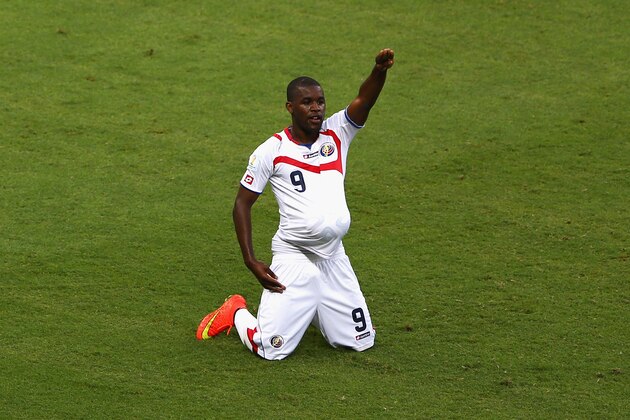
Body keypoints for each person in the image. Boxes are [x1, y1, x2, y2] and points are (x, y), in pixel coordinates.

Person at [196, 48, 395, 360]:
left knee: (360, 340)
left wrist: (379, 71)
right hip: (294, 255)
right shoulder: (271, 150)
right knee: (270, 349)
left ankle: (310, 303)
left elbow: (364, 101)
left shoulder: (337, 133)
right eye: (307, 102)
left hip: (332, 255)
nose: (316, 108)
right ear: (290, 107)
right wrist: (251, 260)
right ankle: (235, 311)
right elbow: (241, 204)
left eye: (320, 101)